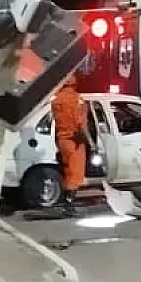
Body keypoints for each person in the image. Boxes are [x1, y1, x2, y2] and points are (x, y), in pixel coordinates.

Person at [51, 75, 87, 215]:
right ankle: (69, 206)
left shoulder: (56, 100)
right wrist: (91, 142)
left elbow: (55, 121)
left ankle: (66, 203)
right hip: (74, 140)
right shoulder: (76, 99)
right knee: (76, 174)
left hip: (62, 140)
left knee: (68, 172)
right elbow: (81, 125)